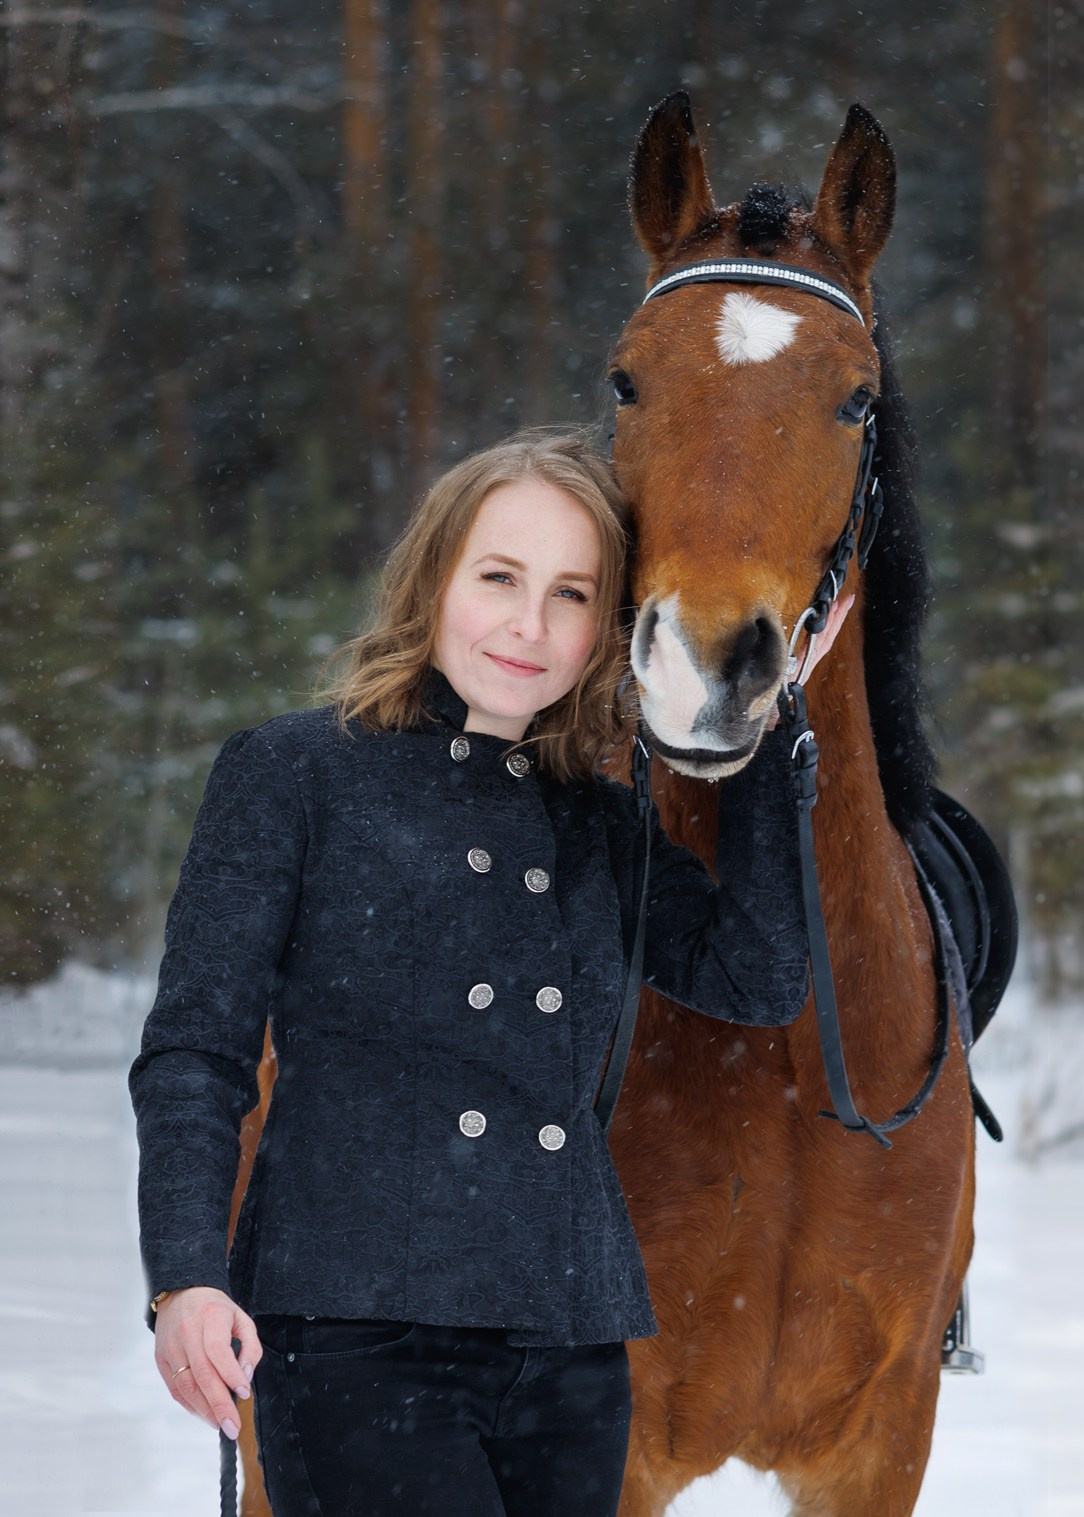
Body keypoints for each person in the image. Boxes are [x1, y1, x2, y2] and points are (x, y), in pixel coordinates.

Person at [129, 429, 822, 1517]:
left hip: (568, 1339)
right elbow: (195, 1052)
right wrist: (184, 1273)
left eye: (570, 593)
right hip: (356, 1325)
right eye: (498, 577)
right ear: (432, 579)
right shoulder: (297, 773)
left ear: (607, 628)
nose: (528, 624)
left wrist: (767, 729)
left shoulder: (597, 820)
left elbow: (758, 976)